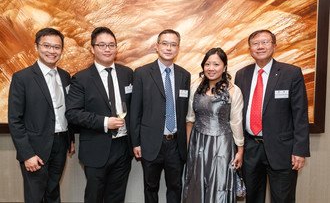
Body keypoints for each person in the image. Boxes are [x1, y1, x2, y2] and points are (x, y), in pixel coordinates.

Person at [234, 29, 310, 203]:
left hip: (282, 150)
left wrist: (300, 150)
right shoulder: (241, 75)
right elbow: (237, 112)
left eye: (265, 42)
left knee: (283, 199)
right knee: (252, 198)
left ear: (274, 46)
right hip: (250, 149)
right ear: (250, 49)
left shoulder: (291, 73)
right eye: (255, 43)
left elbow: (300, 114)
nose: (260, 47)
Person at [65, 27, 133, 203]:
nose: (107, 49)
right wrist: (104, 122)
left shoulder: (127, 74)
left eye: (111, 45)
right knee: (94, 197)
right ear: (92, 48)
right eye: (102, 45)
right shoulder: (81, 78)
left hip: (123, 147)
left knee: (117, 197)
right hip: (96, 148)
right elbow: (72, 113)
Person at [8, 27, 75, 203]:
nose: (52, 51)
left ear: (61, 49)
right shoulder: (22, 78)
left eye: (57, 47)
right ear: (37, 47)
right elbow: (15, 120)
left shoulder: (65, 76)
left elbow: (67, 111)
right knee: (35, 196)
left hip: (60, 143)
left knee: (53, 192)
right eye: (47, 46)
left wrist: (70, 139)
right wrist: (27, 154)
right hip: (35, 148)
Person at [130, 29, 191, 203]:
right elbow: (135, 111)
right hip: (150, 143)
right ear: (157, 46)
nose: (169, 48)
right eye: (165, 43)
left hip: (175, 144)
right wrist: (136, 142)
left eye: (173, 44)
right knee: (151, 187)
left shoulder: (184, 75)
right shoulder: (141, 73)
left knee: (175, 187)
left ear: (178, 48)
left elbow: (184, 109)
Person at [183, 47, 244, 203]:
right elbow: (190, 119)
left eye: (216, 64)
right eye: (207, 64)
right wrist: (189, 147)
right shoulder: (195, 87)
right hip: (198, 145)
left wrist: (240, 151)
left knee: (219, 185)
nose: (211, 68)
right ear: (203, 66)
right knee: (197, 184)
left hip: (222, 145)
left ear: (224, 67)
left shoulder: (233, 91)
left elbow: (236, 122)